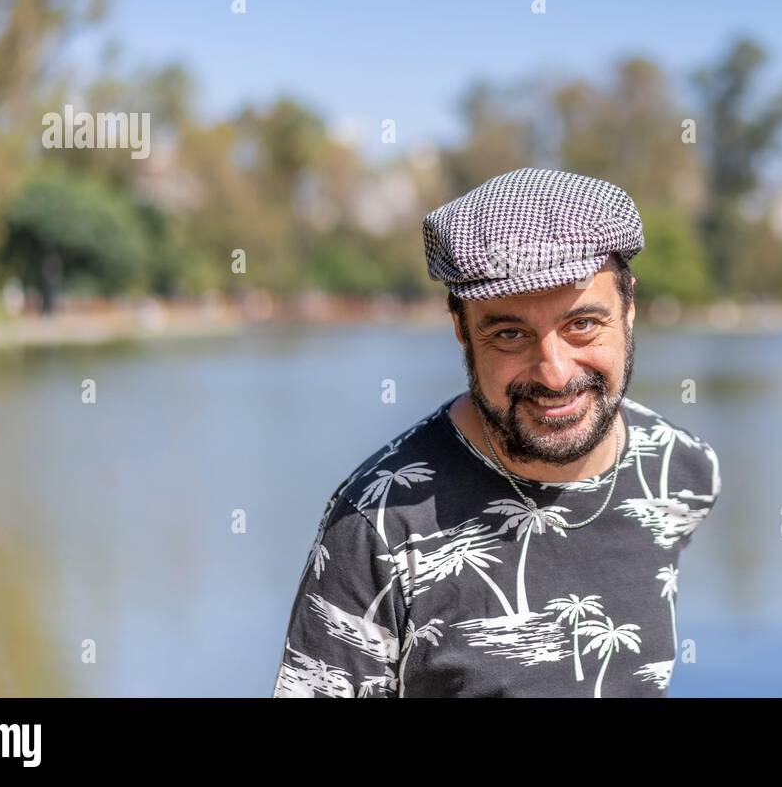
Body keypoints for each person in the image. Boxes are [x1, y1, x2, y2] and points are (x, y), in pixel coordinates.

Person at [272, 167, 721, 697]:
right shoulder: (379, 524)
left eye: (581, 324)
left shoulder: (681, 470)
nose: (554, 373)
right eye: (511, 334)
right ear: (461, 330)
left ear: (628, 308)